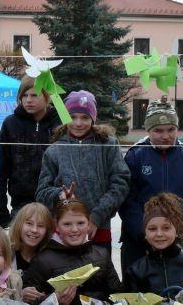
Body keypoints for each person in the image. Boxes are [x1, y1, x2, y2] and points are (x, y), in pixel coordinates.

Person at [119, 96, 183, 275]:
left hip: (177, 243)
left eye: (171, 129)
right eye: (158, 130)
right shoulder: (135, 156)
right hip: (138, 244)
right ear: (148, 130)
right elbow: (126, 198)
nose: (165, 136)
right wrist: (143, 234)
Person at [36, 90, 130, 248]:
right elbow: (41, 192)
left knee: (99, 270)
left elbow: (121, 183)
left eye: (85, 117)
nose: (78, 123)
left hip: (99, 230)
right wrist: (58, 194)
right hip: (64, 233)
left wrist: (95, 217)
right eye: (72, 117)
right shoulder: (54, 150)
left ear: (93, 118)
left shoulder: (108, 145)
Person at [23, 199, 122, 305]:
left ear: (89, 223)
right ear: (56, 226)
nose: (74, 229)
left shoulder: (102, 255)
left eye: (80, 223)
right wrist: (54, 300)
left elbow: (117, 295)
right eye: (67, 224)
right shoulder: (42, 260)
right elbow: (30, 301)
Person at [0, 75, 60, 227]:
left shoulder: (59, 123)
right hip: (21, 206)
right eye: (24, 95)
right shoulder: (10, 124)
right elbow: (0, 171)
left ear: (46, 96)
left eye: (34, 95)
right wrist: (1, 215)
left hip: (54, 205)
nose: (28, 100)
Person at [124, 192, 183, 297]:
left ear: (177, 230)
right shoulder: (135, 271)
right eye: (152, 229)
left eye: (166, 228)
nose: (159, 234)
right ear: (145, 233)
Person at [8, 202, 53, 280]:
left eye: (41, 226)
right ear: (18, 225)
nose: (34, 230)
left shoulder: (50, 258)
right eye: (29, 223)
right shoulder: (5, 254)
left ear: (47, 231)